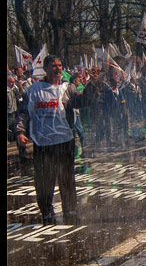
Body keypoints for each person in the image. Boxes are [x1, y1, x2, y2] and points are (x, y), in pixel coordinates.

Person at [15, 55, 101, 225]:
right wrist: (20, 131)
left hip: (64, 141)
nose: (58, 69)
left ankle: (70, 211)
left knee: (67, 180)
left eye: (60, 65)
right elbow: (23, 113)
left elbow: (83, 101)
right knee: (44, 182)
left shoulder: (67, 88)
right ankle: (47, 212)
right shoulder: (34, 90)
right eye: (54, 66)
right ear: (45, 69)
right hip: (43, 143)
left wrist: (92, 84)